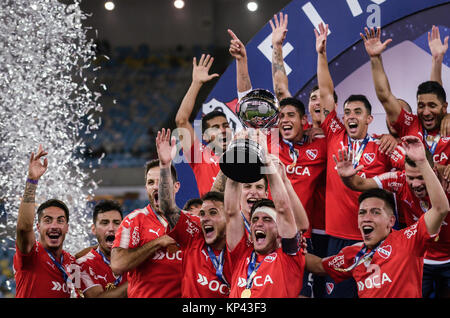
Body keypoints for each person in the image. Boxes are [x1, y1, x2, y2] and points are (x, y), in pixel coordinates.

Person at [315, 22, 404, 297]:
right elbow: (326, 92)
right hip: (338, 237)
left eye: (357, 112)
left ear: (368, 118)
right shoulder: (334, 134)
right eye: (347, 112)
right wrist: (321, 53)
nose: (350, 116)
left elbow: (411, 170)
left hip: (374, 237)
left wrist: (398, 141)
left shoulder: (382, 145)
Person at [306, 135, 450, 298]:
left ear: (392, 221)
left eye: (375, 212)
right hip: (427, 258)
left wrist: (422, 162)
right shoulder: (353, 254)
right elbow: (318, 265)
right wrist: (286, 247)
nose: (366, 217)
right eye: (362, 212)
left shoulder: (408, 240)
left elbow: (441, 208)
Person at [225, 136, 305, 298]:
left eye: (267, 219)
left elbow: (283, 207)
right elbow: (231, 212)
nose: (258, 224)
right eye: (255, 219)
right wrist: (237, 156)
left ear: (279, 230)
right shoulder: (242, 254)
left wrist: (266, 161)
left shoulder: (289, 257)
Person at [156, 127, 232, 297]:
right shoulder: (194, 233)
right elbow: (167, 208)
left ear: (229, 217)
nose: (204, 219)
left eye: (213, 213)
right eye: (203, 214)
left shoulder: (240, 245)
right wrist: (165, 166)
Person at [361, 26, 449, 167]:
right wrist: (375, 58)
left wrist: (437, 61)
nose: (426, 112)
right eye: (421, 106)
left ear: (445, 108)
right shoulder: (410, 124)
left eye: (431, 106)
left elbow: (436, 94)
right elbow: (385, 96)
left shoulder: (448, 126)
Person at [110, 157, 182, 298]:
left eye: (162, 181)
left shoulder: (190, 222)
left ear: (176, 186)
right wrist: (158, 242)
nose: (156, 187)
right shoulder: (134, 221)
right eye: (150, 183)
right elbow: (118, 264)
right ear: (146, 188)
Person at [13, 145, 78, 298]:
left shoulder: (71, 262)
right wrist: (32, 181)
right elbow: (23, 228)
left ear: (67, 227)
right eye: (47, 220)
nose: (54, 226)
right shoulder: (30, 254)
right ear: (38, 226)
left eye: (60, 221)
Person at [175, 53, 232, 197]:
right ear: (206, 137)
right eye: (216, 128)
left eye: (226, 126)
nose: (223, 130)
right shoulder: (200, 156)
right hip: (212, 218)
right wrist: (196, 83)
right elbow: (181, 120)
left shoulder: (244, 157)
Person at [76, 200, 128, 297]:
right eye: (105, 223)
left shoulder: (134, 259)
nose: (111, 228)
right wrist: (138, 281)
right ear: (94, 230)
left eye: (117, 223)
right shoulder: (83, 264)